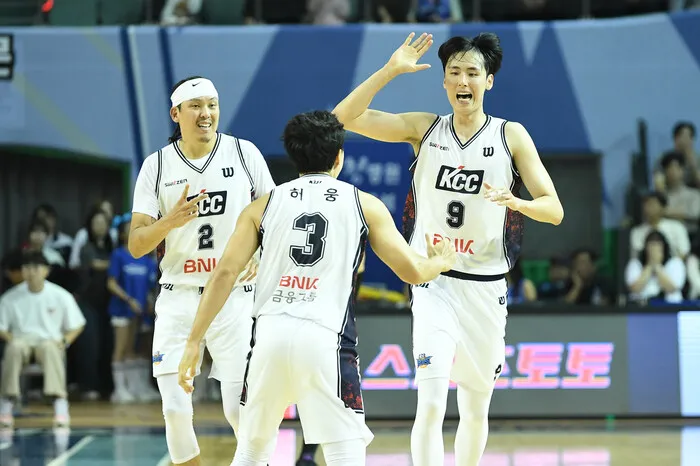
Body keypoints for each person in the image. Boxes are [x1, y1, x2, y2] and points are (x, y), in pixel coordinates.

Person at [332, 32, 564, 465]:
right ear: (443, 82)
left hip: (486, 288)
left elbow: (554, 210)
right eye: (454, 72)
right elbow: (341, 119)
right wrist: (390, 70)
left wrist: (519, 203)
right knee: (431, 401)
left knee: (475, 407)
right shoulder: (424, 128)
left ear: (488, 81)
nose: (463, 80)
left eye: (472, 73)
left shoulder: (510, 135)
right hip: (433, 283)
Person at [177, 110, 456, 466]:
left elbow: (224, 274)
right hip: (326, 341)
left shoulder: (261, 206)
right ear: (339, 157)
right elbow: (413, 271)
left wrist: (194, 341)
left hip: (269, 339)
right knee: (345, 454)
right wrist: (441, 261)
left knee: (250, 452)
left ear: (294, 157)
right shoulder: (364, 204)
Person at [128, 75, 275, 466]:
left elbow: (275, 218)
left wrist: (260, 254)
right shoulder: (156, 165)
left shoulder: (243, 153)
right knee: (175, 410)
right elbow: (137, 245)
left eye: (212, 104)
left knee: (239, 409)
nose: (206, 113)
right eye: (195, 106)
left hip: (235, 298)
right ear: (176, 113)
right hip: (179, 296)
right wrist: (169, 222)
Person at [0, 251, 86, 428]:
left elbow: (78, 324)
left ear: (46, 271)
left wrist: (65, 341)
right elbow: (1, 326)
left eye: (36, 268)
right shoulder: (10, 297)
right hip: (22, 341)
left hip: (48, 341)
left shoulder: (60, 295)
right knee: (14, 347)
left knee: (50, 347)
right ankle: (7, 402)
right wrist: (10, 338)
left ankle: (59, 402)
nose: (31, 272)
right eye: (27, 268)